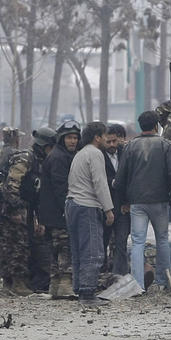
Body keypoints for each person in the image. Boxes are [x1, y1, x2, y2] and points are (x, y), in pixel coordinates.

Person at [114, 111, 171, 290]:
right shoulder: (165, 145)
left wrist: (124, 201)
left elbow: (120, 179)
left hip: (137, 202)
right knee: (162, 240)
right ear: (157, 125)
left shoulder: (130, 146)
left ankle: (138, 285)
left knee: (138, 242)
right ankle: (163, 281)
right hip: (160, 201)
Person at [0, 127, 57, 296]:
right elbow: (11, 185)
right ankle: (16, 283)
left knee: (24, 244)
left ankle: (18, 282)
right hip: (15, 208)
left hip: (27, 207)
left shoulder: (40, 161)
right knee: (16, 246)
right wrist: (15, 209)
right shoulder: (25, 158)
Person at [65, 122, 114, 306]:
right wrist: (108, 209)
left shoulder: (80, 154)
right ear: (97, 137)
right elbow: (100, 183)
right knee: (93, 251)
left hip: (72, 204)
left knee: (78, 250)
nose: (106, 139)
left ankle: (80, 288)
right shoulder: (95, 153)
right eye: (104, 136)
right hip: (87, 206)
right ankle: (88, 293)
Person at [40, 120, 80, 299]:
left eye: (75, 138)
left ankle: (55, 285)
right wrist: (68, 208)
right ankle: (64, 284)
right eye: (69, 138)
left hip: (52, 212)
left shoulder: (59, 155)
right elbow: (60, 186)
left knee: (56, 249)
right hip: (59, 212)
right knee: (65, 248)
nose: (73, 141)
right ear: (62, 139)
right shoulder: (59, 157)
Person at [102, 123, 130, 275]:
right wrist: (113, 182)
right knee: (102, 243)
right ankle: (102, 276)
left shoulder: (124, 153)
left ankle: (120, 276)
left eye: (114, 141)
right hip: (104, 207)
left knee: (121, 244)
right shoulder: (98, 155)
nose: (112, 145)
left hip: (122, 207)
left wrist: (128, 202)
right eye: (109, 142)